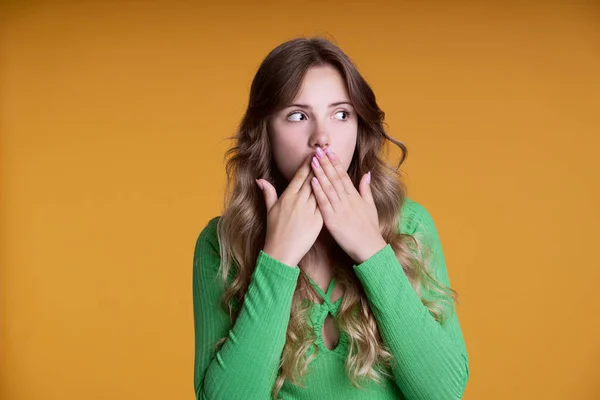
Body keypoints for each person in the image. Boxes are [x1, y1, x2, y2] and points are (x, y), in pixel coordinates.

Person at [192, 36, 469, 400]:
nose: (322, 137)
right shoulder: (223, 242)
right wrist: (278, 258)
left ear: (359, 126)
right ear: (265, 132)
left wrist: (371, 249)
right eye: (297, 115)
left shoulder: (410, 226)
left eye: (341, 114)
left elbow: (444, 392)